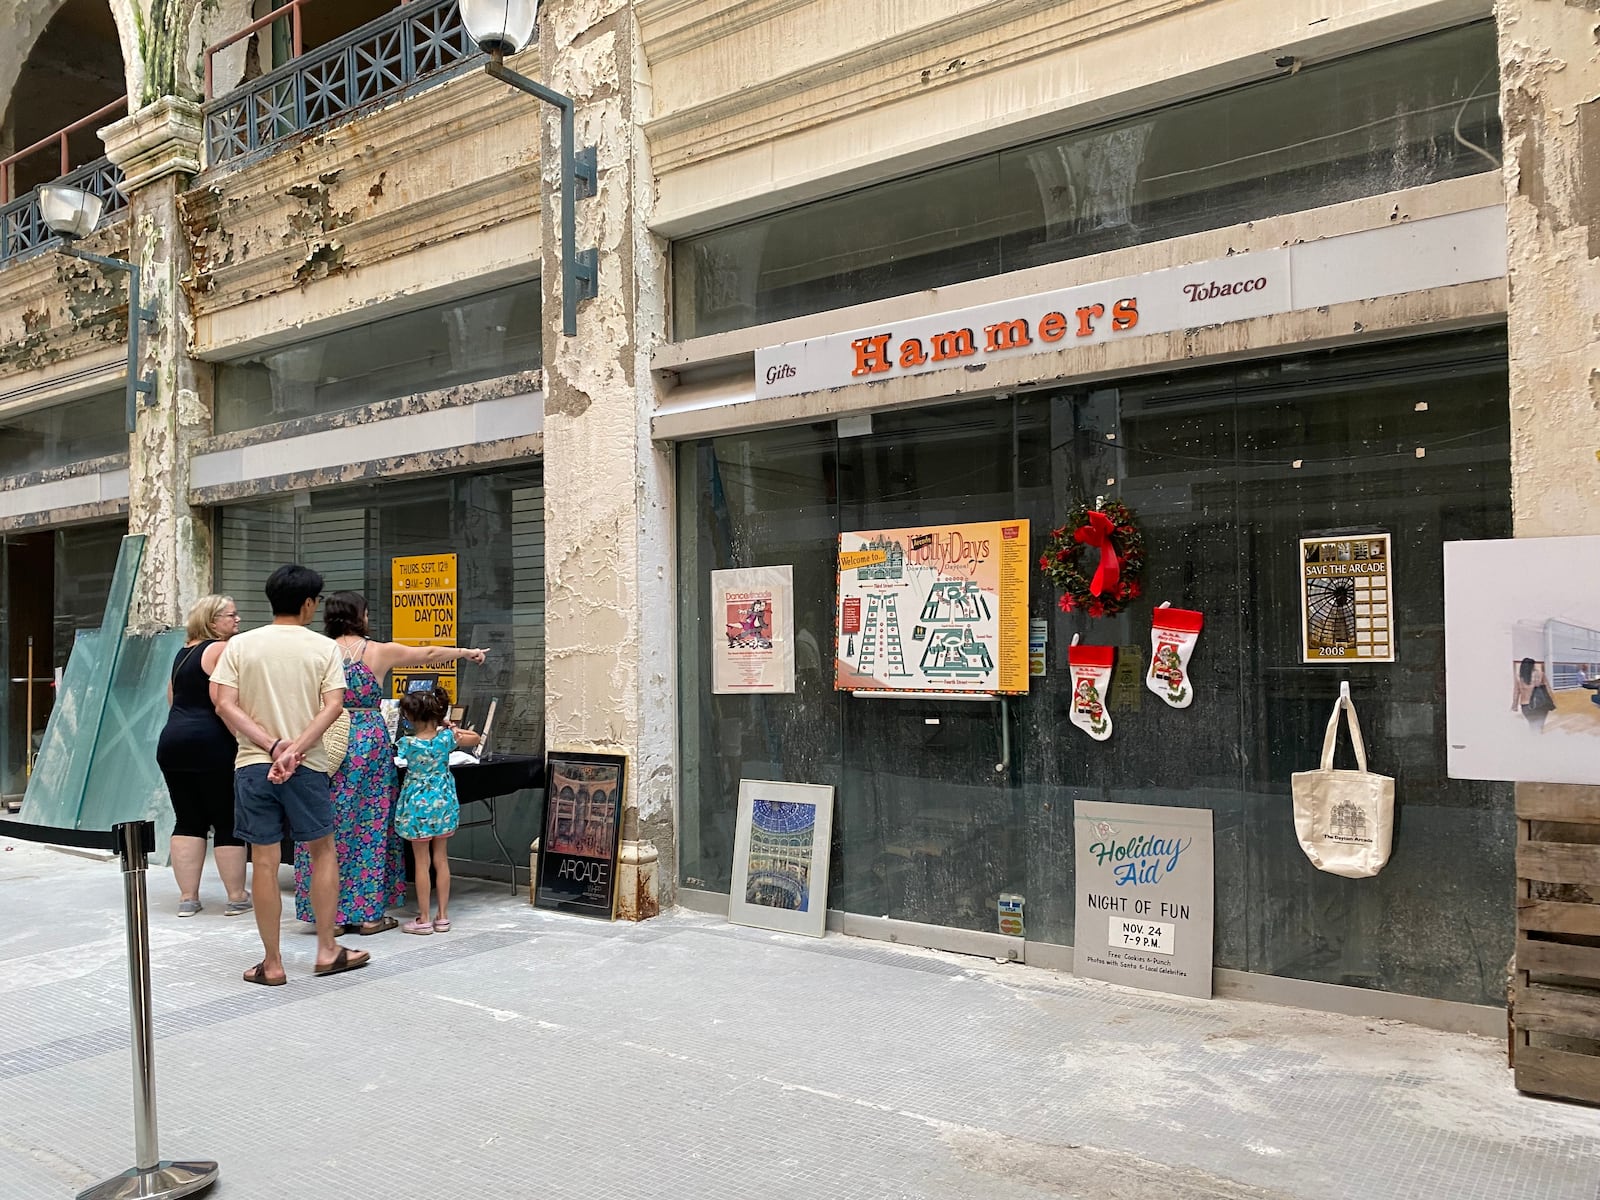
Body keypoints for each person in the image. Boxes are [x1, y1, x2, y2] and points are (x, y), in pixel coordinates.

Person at [294, 592, 488, 936]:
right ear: (361, 616)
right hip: (368, 742)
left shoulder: (314, 651)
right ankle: (368, 913)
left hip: (326, 737)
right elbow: (426, 653)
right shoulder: (376, 652)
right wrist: (466, 653)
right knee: (370, 823)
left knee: (327, 824)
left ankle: (330, 916)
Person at [211, 565, 368, 985]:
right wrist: (295, 749)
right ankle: (326, 950)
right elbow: (333, 706)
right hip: (308, 766)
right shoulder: (323, 648)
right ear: (308, 604)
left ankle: (273, 963)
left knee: (263, 862)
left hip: (252, 765)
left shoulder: (240, 645)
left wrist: (271, 746)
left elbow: (225, 703)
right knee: (322, 851)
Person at [155, 595, 249, 917]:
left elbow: (172, 697)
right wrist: (245, 738)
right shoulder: (220, 650)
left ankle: (187, 898)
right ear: (212, 621)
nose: (237, 621)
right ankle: (236, 896)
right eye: (231, 616)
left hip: (173, 740)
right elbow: (223, 703)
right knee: (226, 819)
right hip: (212, 742)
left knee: (188, 819)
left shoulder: (182, 654)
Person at [395, 687, 479, 935]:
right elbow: (474, 737)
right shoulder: (446, 739)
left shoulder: (407, 743)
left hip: (417, 806)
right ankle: (443, 916)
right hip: (443, 803)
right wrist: (449, 725)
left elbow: (395, 757)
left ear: (410, 717)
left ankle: (423, 918)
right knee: (441, 860)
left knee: (422, 863)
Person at [1512, 657, 1553, 732]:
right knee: (1540, 726)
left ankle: (1533, 740)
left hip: (1526, 706)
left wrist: (1514, 705)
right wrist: (1551, 701)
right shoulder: (1540, 674)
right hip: (1540, 704)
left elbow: (1516, 692)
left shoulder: (1519, 677)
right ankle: (1538, 740)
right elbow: (1548, 689)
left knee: (1532, 726)